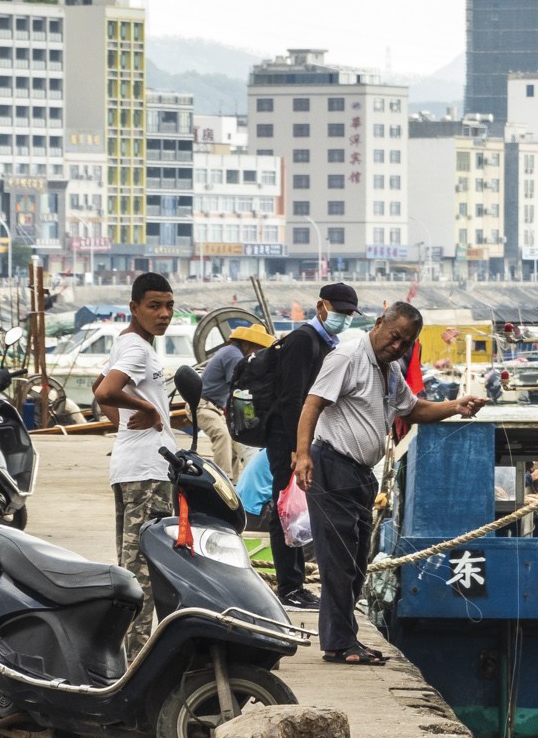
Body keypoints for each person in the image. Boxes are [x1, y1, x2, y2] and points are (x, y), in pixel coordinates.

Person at [294, 302, 485, 664]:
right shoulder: (347, 356)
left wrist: (457, 406)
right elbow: (312, 404)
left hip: (359, 475)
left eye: (405, 343)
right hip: (332, 465)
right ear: (379, 324)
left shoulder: (391, 370)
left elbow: (413, 410)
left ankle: (344, 639)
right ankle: (339, 643)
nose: (397, 347)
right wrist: (302, 455)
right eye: (394, 337)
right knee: (339, 562)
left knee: (356, 563)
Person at [93, 273, 177, 651]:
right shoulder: (138, 350)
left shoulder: (129, 342)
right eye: (154, 306)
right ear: (134, 308)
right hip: (146, 474)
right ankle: (134, 661)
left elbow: (102, 391)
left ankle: (127, 654)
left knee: (133, 568)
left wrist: (126, 422)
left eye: (169, 305)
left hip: (132, 467)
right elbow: (105, 390)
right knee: (143, 574)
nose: (164, 314)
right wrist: (146, 409)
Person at [263, 282, 358, 609]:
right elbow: (292, 399)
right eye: (340, 312)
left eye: (349, 314)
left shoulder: (326, 342)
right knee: (284, 511)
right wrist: (297, 448)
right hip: (286, 438)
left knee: (297, 510)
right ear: (322, 307)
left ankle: (296, 583)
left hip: (301, 438)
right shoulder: (304, 341)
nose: (344, 319)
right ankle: (289, 588)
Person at [197, 323, 274, 479]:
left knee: (234, 440)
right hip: (202, 405)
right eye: (257, 349)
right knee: (223, 435)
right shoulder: (234, 356)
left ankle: (233, 482)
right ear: (246, 344)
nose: (259, 354)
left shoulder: (230, 351)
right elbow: (240, 388)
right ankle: (221, 478)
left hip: (216, 407)